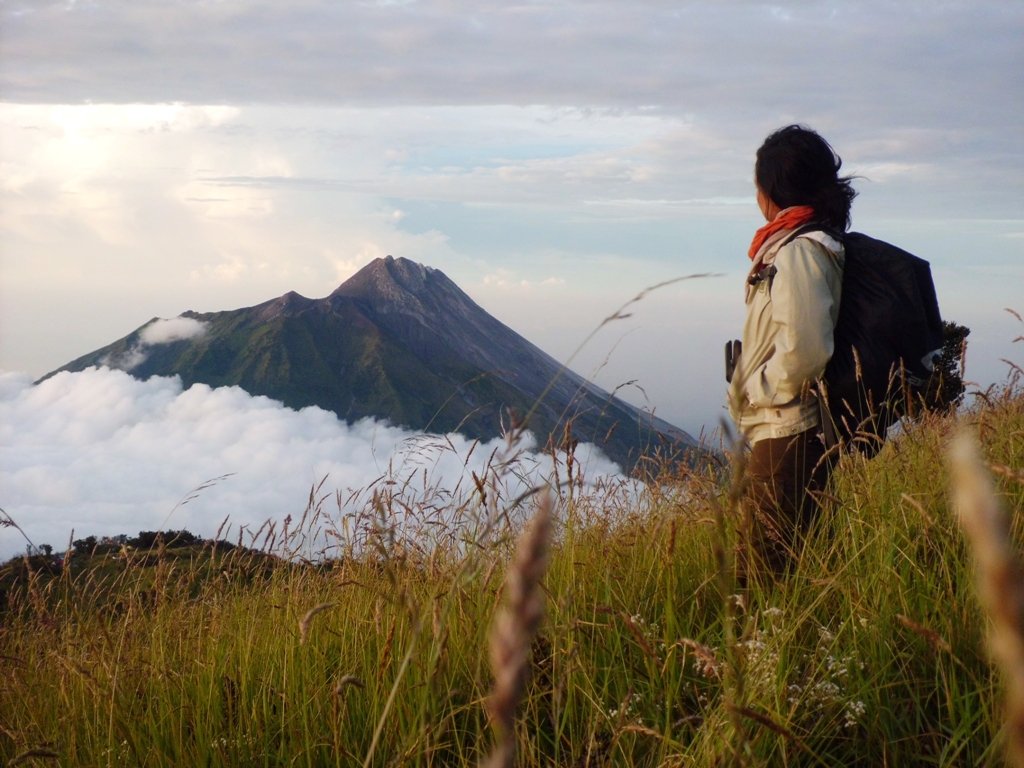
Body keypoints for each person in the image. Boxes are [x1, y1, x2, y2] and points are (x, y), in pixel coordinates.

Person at [727, 124, 857, 581]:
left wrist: (755, 387)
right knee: (789, 573)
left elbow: (805, 351)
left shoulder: (800, 251)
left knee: (761, 578)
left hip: (787, 431)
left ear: (771, 190)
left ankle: (765, 652)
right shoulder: (797, 244)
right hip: (785, 432)